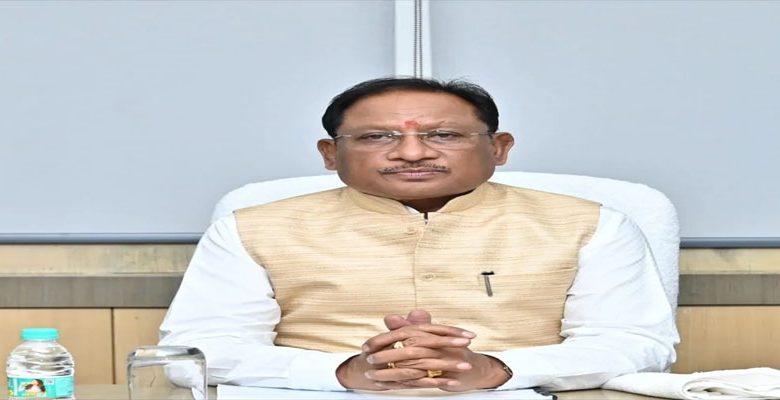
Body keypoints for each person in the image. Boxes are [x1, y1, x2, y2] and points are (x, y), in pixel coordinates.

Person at [159, 77, 679, 392]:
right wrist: (344, 373)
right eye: (377, 136)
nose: (412, 153)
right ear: (330, 154)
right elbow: (197, 352)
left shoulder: (594, 224)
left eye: (444, 135)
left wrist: (495, 369)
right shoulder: (251, 228)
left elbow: (633, 344)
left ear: (499, 148)